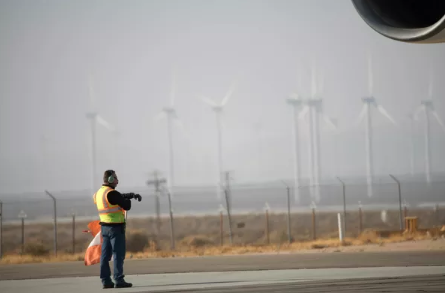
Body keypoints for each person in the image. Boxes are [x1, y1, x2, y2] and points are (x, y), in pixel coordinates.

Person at [93, 169, 142, 289]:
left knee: (105, 256)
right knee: (118, 254)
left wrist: (130, 195)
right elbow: (126, 205)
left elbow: (117, 197)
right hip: (115, 228)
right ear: (110, 179)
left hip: (104, 228)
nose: (117, 181)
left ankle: (106, 281)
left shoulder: (99, 193)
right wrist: (129, 200)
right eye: (115, 178)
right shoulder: (111, 193)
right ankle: (119, 279)